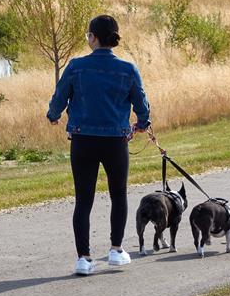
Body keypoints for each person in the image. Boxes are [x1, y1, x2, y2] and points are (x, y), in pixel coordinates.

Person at [46, 15, 151, 276]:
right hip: (115, 140)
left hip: (83, 139)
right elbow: (141, 104)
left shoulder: (76, 66)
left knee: (83, 199)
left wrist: (54, 115)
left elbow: (59, 96)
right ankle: (116, 250)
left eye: (87, 35)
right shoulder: (128, 69)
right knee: (119, 194)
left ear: (93, 37)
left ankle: (84, 258)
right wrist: (141, 123)